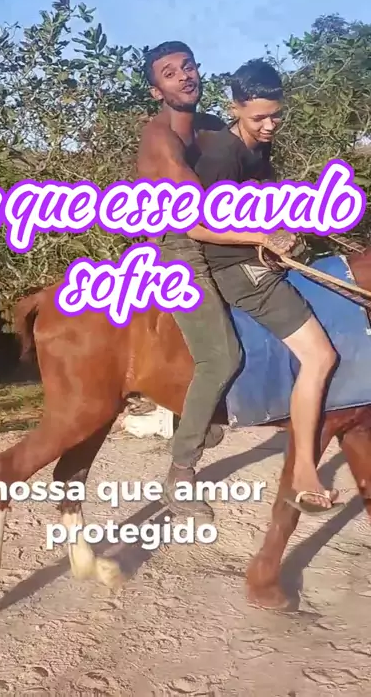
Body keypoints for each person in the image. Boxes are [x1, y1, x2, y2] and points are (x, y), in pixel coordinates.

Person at [136, 42, 288, 519]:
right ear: (156, 89)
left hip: (215, 237)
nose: (183, 76)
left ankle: (205, 412)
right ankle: (181, 472)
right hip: (178, 249)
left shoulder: (209, 128)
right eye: (169, 72)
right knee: (221, 355)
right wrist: (260, 234)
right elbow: (196, 216)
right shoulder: (160, 139)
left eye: (187, 66)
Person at [194, 58, 342, 515]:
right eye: (259, 117)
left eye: (276, 115)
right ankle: (303, 473)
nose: (270, 125)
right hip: (237, 270)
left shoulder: (259, 146)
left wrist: (284, 230)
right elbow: (195, 224)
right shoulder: (222, 155)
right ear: (235, 108)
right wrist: (260, 237)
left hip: (260, 258)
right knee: (321, 356)